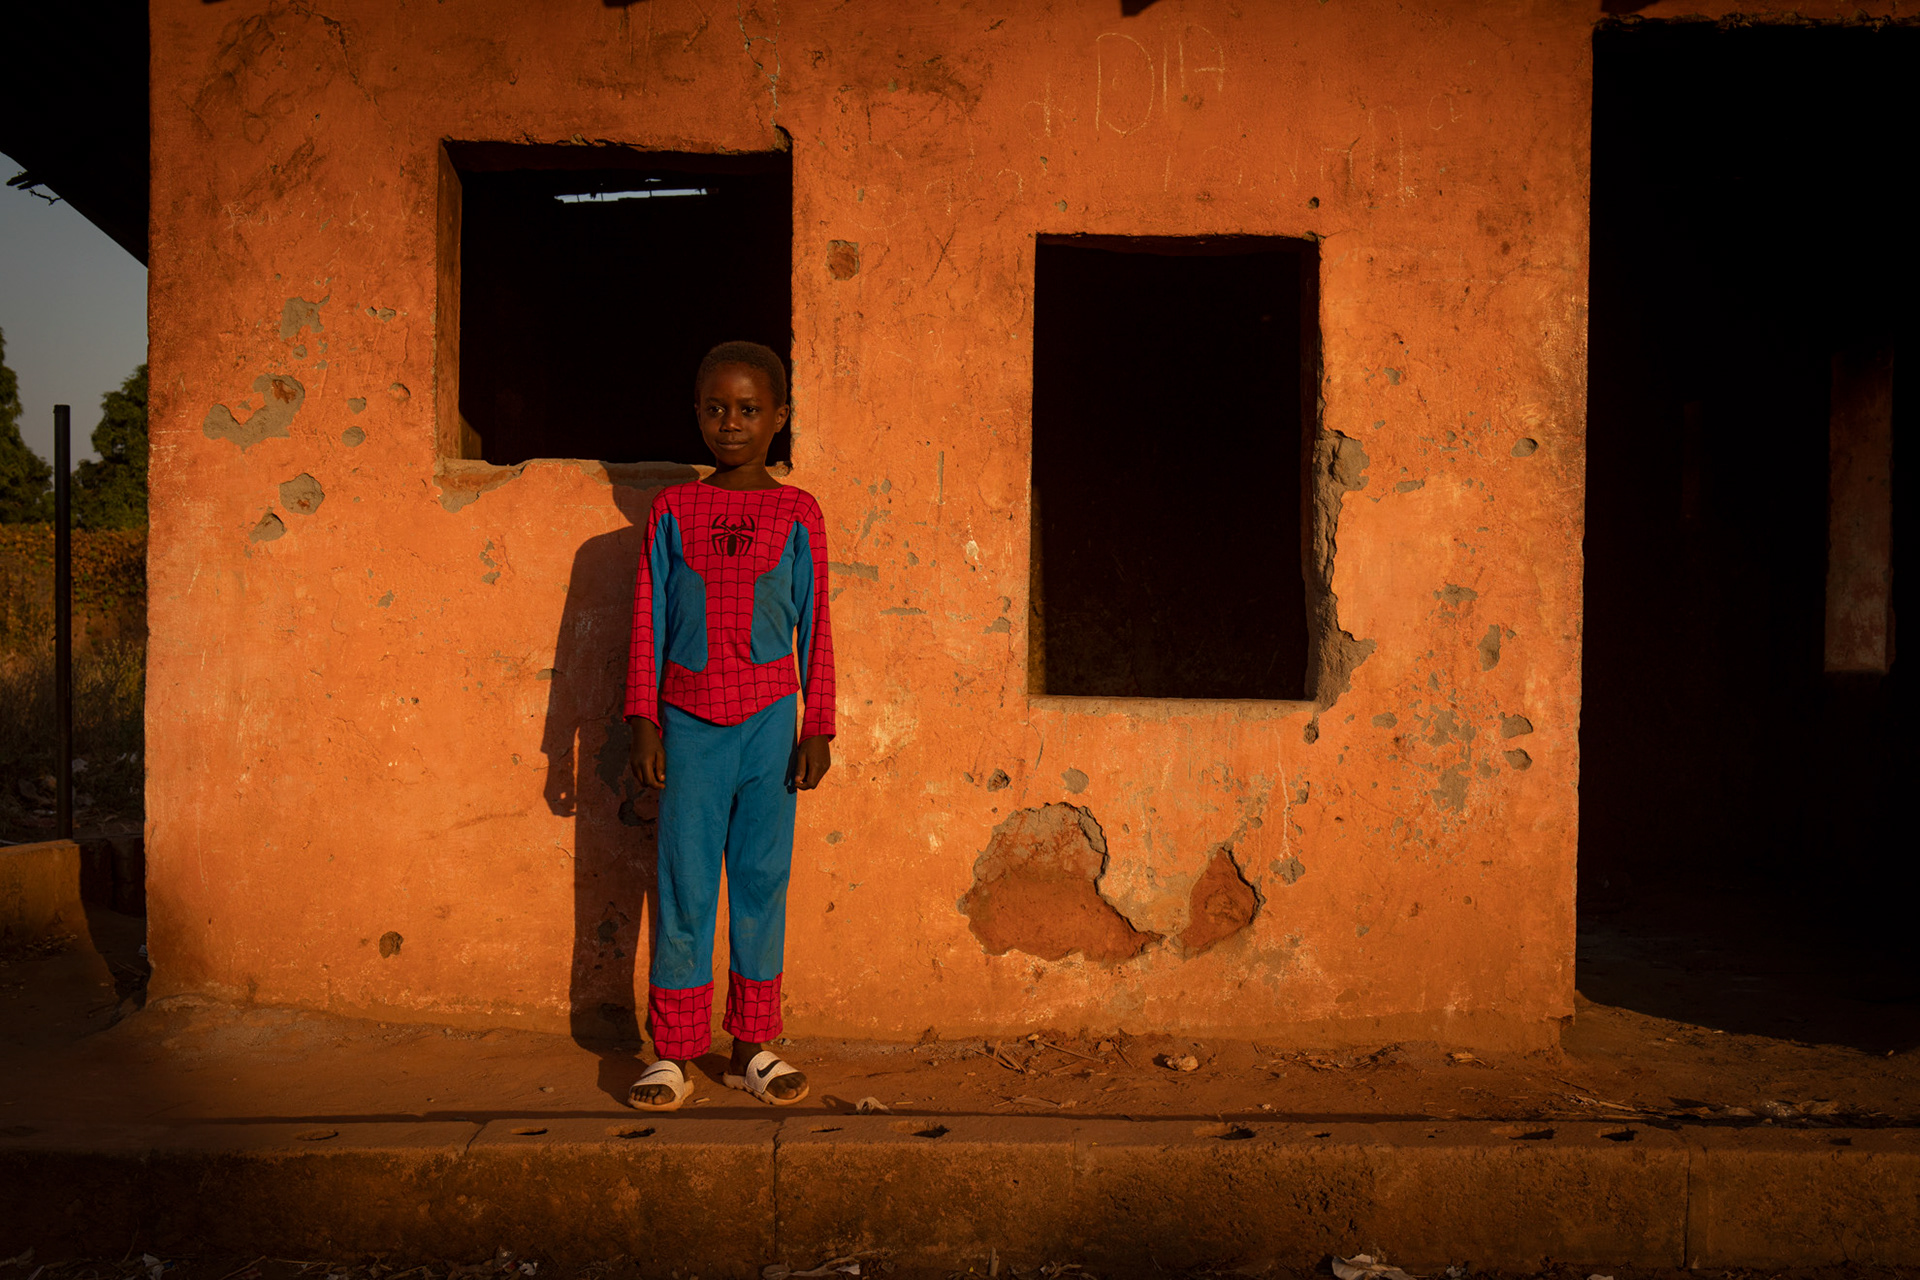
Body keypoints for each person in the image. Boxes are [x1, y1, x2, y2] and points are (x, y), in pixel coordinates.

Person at [624, 341, 835, 1110]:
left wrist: (820, 725)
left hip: (772, 723)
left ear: (779, 417)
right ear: (697, 414)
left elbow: (817, 625)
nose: (731, 424)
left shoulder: (797, 511)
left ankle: (754, 1045)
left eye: (749, 410)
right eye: (716, 409)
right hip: (688, 721)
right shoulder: (673, 511)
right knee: (683, 881)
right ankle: (676, 1052)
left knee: (759, 878)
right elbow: (647, 618)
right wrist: (644, 720)